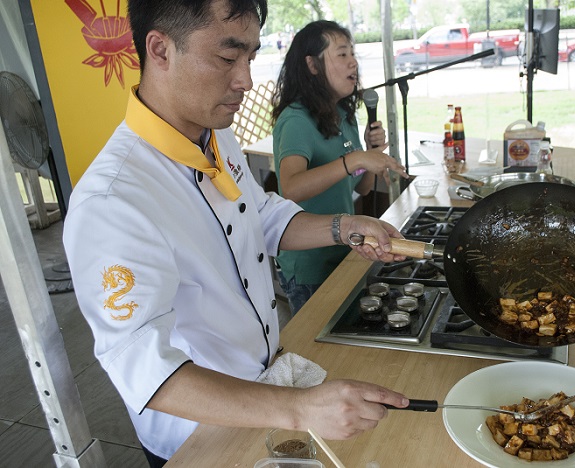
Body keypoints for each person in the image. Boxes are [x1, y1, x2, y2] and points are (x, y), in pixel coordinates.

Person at [62, 1, 410, 466]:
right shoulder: (113, 199)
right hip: (198, 433)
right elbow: (142, 367)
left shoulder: (216, 136)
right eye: (228, 58)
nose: (245, 79)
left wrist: (344, 226)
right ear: (160, 49)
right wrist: (301, 407)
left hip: (266, 393)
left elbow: (261, 217)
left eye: (250, 56)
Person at [271, 20, 408, 315]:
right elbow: (291, 187)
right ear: (312, 65)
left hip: (344, 249)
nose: (353, 62)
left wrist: (370, 155)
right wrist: (355, 159)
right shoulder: (296, 119)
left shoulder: (343, 114)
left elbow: (362, 187)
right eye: (342, 54)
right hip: (309, 264)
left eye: (353, 54)